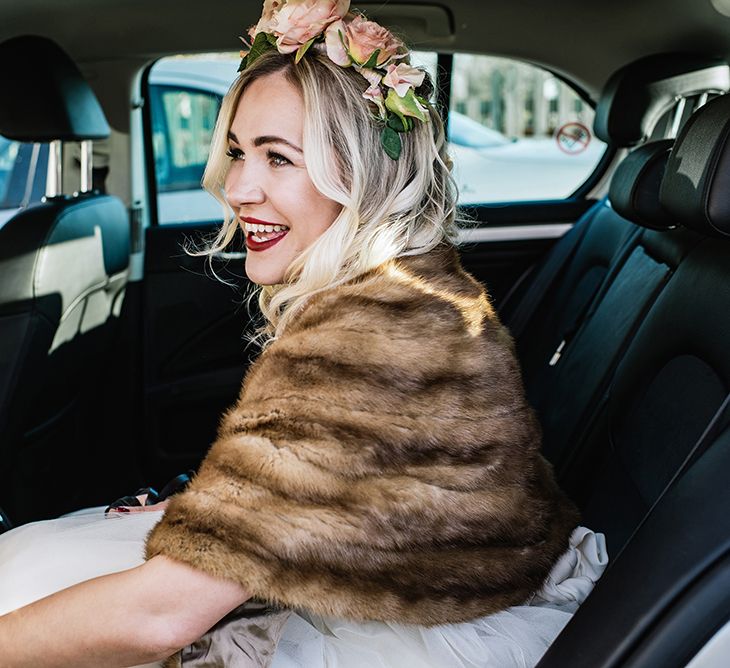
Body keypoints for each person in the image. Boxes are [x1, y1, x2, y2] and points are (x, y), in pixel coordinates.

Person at [0, 1, 608, 666]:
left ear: (361, 175)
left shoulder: (370, 337)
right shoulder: (403, 289)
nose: (237, 188)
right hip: (435, 572)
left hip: (421, 623)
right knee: (40, 555)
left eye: (278, 159)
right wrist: (207, 512)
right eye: (236, 152)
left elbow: (160, 616)